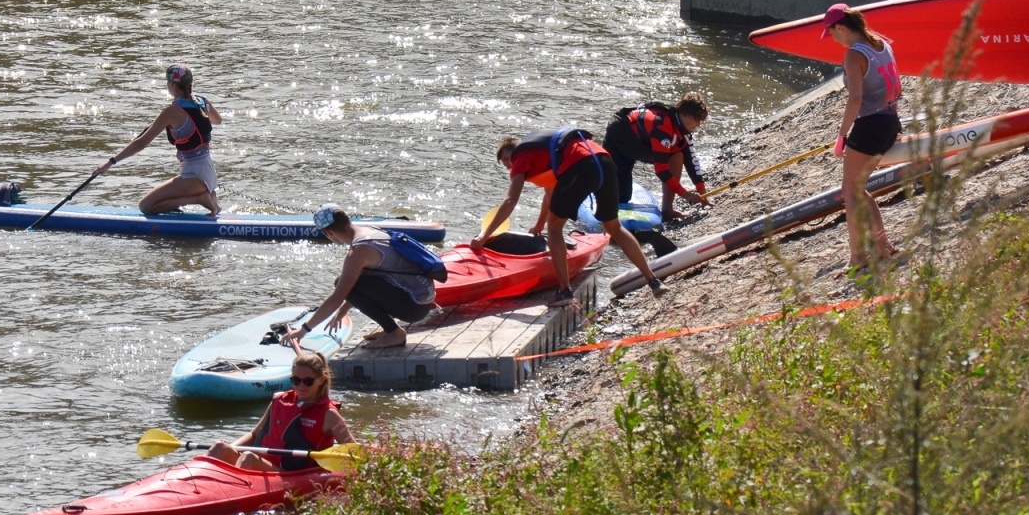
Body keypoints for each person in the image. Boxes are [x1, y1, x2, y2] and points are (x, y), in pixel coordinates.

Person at [472, 129, 664, 306]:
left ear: (515, 152)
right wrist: (539, 225)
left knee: (555, 229)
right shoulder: (547, 153)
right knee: (614, 228)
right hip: (605, 163)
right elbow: (550, 194)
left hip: (581, 167)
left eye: (507, 159)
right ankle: (653, 280)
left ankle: (564, 293)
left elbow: (510, 201)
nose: (508, 166)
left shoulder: (521, 157)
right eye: (504, 163)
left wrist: (483, 236)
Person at [283, 206, 436, 350]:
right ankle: (389, 329)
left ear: (329, 233)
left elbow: (338, 297)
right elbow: (365, 283)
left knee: (339, 283)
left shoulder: (358, 250)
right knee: (352, 282)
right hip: (422, 299)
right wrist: (343, 310)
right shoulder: (369, 231)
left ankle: (394, 333)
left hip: (413, 306)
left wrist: (303, 331)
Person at [822, 4, 900, 272]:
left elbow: (855, 99)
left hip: (870, 125)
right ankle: (882, 246)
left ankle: (857, 257)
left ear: (841, 27)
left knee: (850, 191)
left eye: (831, 34)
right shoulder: (881, 43)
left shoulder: (854, 55)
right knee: (858, 187)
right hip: (890, 120)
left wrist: (842, 135)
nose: (833, 39)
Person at [94, 64, 223, 216]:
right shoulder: (202, 102)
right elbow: (217, 120)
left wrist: (110, 162)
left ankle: (200, 198)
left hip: (194, 176)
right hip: (207, 170)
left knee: (146, 206)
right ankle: (204, 197)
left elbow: (141, 143)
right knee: (158, 204)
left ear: (172, 84)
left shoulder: (171, 112)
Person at [208, 350, 353, 472]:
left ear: (321, 380)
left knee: (248, 458)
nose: (301, 386)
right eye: (296, 380)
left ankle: (230, 498)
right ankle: (193, 487)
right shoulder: (280, 401)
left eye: (308, 381)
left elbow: (352, 451)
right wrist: (232, 448)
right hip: (262, 462)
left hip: (290, 474)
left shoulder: (329, 414)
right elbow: (254, 434)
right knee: (220, 448)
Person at [602, 94, 711, 222]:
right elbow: (661, 170)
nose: (697, 125)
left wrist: (702, 192)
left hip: (642, 144)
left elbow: (691, 160)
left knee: (678, 155)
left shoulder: (683, 131)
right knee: (622, 197)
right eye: (697, 120)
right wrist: (685, 194)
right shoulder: (662, 125)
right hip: (620, 139)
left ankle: (667, 210)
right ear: (685, 114)